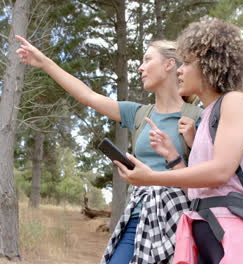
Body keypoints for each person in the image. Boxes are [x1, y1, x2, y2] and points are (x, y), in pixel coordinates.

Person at [15, 36, 201, 264]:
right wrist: (45, 63)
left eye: (147, 59)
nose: (141, 67)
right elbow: (88, 96)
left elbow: (208, 178)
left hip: (179, 221)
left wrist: (191, 141)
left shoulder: (197, 118)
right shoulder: (139, 114)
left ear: (169, 64)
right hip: (138, 216)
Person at [114, 18, 243, 264]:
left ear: (210, 64)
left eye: (187, 63)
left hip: (232, 235)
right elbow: (195, 189)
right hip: (203, 231)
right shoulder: (207, 115)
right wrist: (172, 156)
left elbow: (220, 172)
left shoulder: (234, 101)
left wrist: (151, 178)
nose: (180, 70)